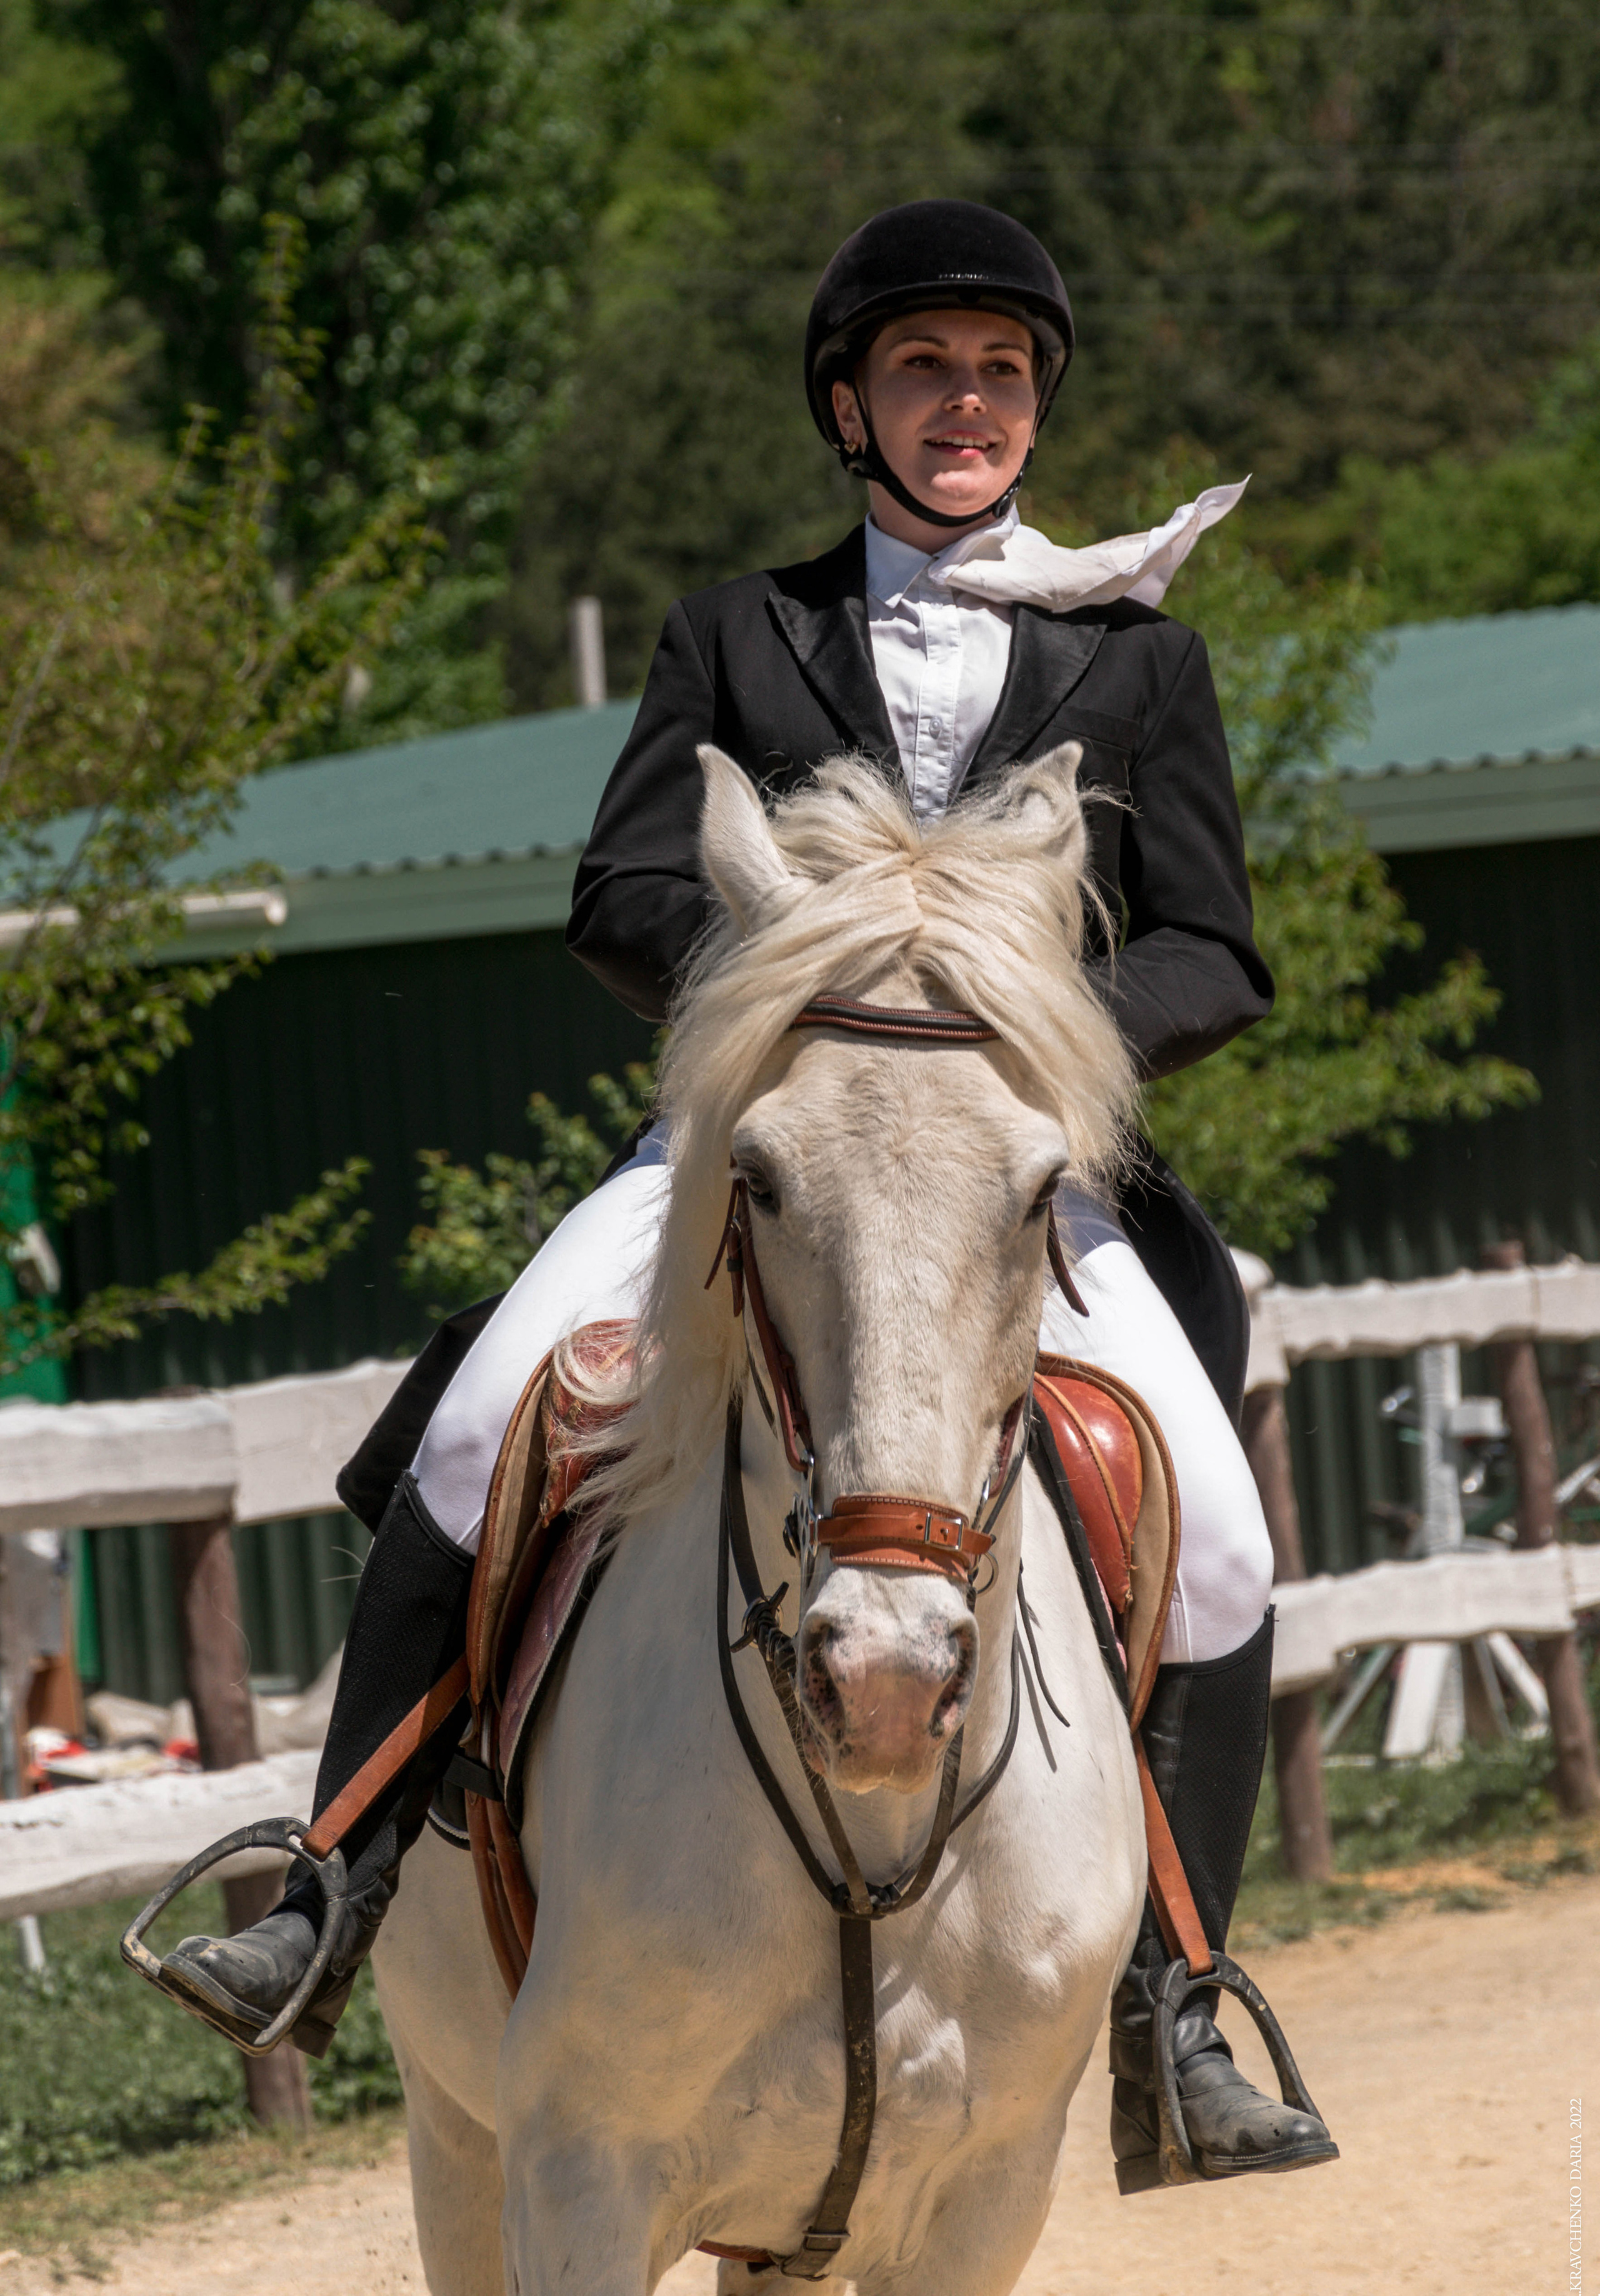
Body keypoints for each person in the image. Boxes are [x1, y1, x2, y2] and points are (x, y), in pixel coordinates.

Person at [161, 199, 1335, 2193]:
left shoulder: (1142, 660)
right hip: (756, 1151)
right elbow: (622, 893)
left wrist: (1024, 1023)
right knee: (479, 1423)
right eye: (923, 368)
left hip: (1027, 1174)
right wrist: (814, 992)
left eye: (1001, 371)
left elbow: (1213, 947)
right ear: (848, 407)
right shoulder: (738, 632)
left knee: (1216, 1532)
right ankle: (329, 1885)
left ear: (1037, 406)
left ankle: (1178, 2003)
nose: (966, 402)